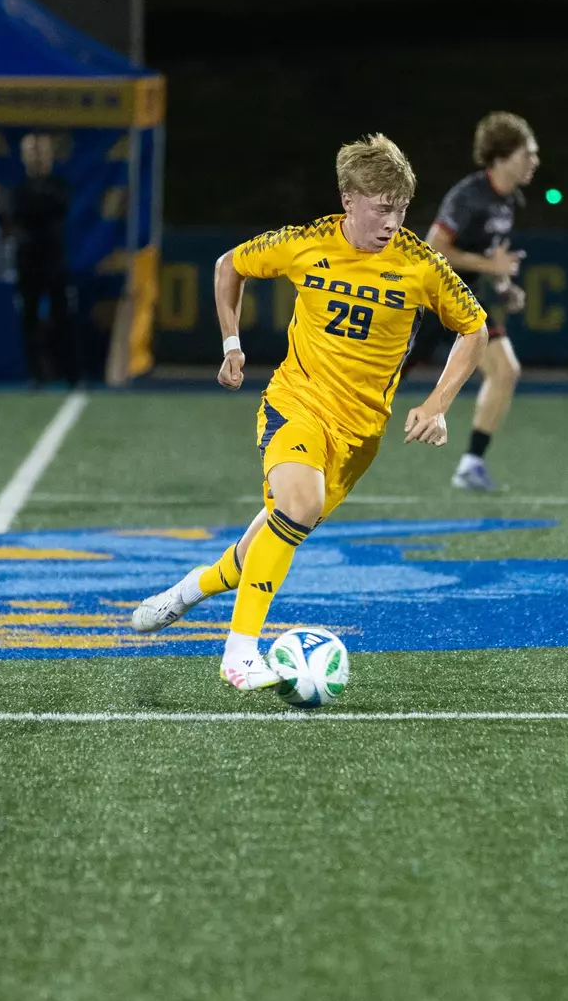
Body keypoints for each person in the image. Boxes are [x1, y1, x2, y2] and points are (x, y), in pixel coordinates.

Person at [130, 134, 489, 690]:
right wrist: (231, 343)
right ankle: (239, 654)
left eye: (400, 208)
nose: (392, 221)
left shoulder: (421, 265)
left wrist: (439, 404)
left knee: (264, 545)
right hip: (295, 402)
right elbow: (230, 266)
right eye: (380, 208)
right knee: (300, 504)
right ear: (349, 200)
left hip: (359, 435)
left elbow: (475, 328)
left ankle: (188, 591)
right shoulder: (306, 243)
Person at [426, 112, 540, 491]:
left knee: (505, 370)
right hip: (433, 295)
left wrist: (504, 284)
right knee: (382, 380)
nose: (534, 162)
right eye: (528, 154)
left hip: (468, 300)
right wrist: (491, 265)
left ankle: (471, 464)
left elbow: (493, 254)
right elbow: (434, 248)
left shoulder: (510, 201)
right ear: (503, 156)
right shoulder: (469, 195)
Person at [12, 132, 77, 387]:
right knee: (29, 320)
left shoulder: (59, 185)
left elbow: (56, 209)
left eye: (40, 153)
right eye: (31, 153)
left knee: (63, 318)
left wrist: (37, 213)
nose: (36, 158)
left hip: (54, 262)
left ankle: (71, 374)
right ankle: (38, 374)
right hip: (28, 262)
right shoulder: (19, 189)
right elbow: (20, 214)